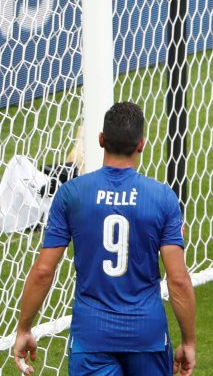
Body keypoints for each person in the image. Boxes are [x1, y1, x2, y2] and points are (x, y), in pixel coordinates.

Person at [13, 102, 196, 376]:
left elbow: (43, 271)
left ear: (100, 140)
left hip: (91, 336)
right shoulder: (163, 198)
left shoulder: (71, 194)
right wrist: (188, 341)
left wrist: (24, 328)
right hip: (147, 335)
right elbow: (178, 279)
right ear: (141, 144)